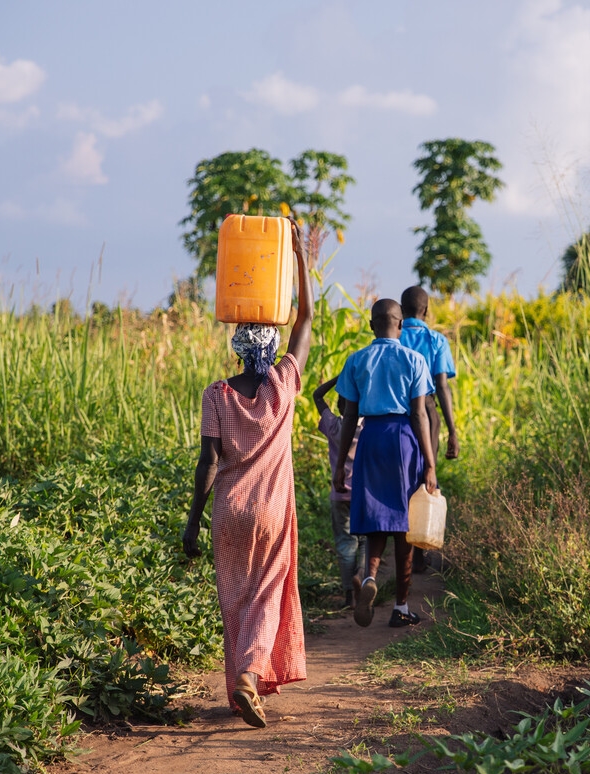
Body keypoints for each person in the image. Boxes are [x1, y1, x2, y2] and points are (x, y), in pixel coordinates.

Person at [182, 221, 313, 730]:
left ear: (237, 345)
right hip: (272, 512)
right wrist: (300, 256)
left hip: (230, 512)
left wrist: (192, 523)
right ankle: (250, 674)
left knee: (235, 598)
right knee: (268, 591)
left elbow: (207, 463)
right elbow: (306, 316)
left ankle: (241, 678)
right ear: (271, 344)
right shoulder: (283, 384)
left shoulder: (217, 393)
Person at [333, 298, 437, 629]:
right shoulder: (414, 359)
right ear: (401, 324)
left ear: (371, 326)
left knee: (377, 518)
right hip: (403, 439)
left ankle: (369, 578)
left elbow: (349, 415)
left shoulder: (356, 360)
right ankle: (401, 607)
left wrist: (339, 465)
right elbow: (420, 413)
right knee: (403, 523)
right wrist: (430, 464)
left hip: (370, 438)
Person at [399, 285, 460, 572]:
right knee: (426, 473)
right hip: (428, 411)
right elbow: (443, 385)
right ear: (426, 311)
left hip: (396, 414)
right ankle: (419, 549)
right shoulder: (435, 340)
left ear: (401, 312)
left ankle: (400, 541)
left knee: (401, 476)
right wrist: (452, 430)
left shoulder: (393, 335)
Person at [312, 375, 364, 609]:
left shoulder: (334, 425)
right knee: (365, 541)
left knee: (345, 543)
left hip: (340, 494)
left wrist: (339, 378)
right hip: (365, 495)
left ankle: (348, 596)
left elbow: (317, 396)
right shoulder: (368, 428)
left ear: (340, 406)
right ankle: (362, 577)